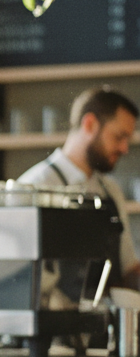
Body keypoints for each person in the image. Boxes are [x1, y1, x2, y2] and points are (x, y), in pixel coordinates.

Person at [18, 86, 139, 288]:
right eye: (119, 137)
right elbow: (23, 280)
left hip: (107, 308)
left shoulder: (111, 190)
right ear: (90, 124)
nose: (125, 149)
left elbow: (128, 269)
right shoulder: (33, 187)